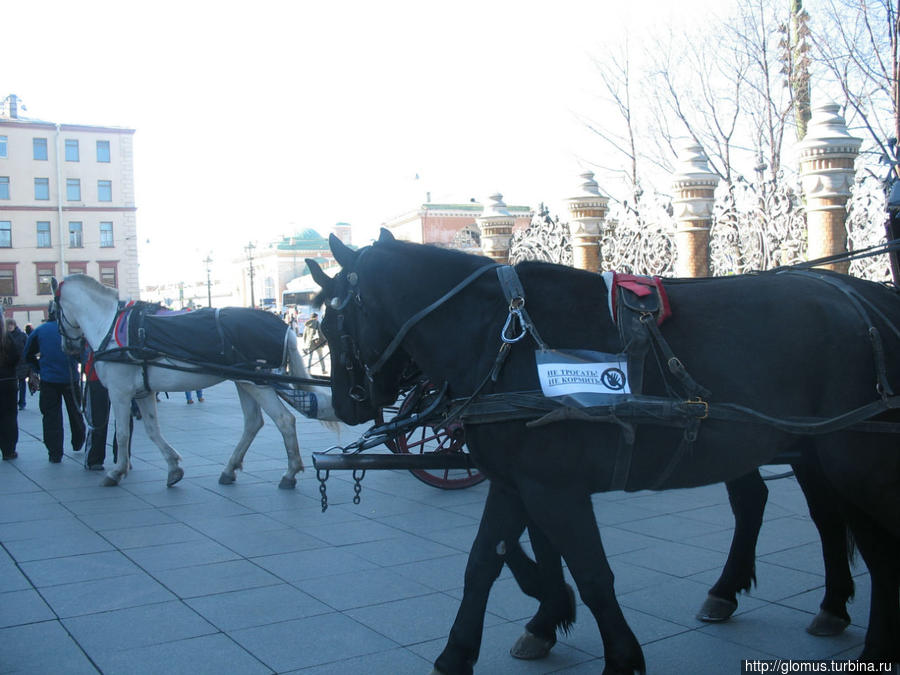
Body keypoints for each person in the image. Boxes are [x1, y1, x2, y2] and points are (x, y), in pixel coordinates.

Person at [24, 311, 86, 463]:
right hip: (70, 378)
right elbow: (82, 354)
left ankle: (55, 452)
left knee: (51, 416)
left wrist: (39, 368)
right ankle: (78, 441)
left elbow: (28, 354)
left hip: (49, 379)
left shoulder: (40, 330)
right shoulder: (71, 330)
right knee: (76, 412)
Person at [0, 314, 22, 460]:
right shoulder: (7, 338)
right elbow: (16, 356)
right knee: (9, 416)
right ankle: (9, 450)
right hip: (8, 381)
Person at [5, 318, 28, 410]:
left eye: (11, 324)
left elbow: (28, 348)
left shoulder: (22, 335)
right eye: (8, 324)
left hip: (22, 363)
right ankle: (12, 402)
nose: (10, 326)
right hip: (9, 363)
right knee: (12, 384)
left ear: (14, 325)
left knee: (22, 383)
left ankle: (22, 402)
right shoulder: (4, 336)